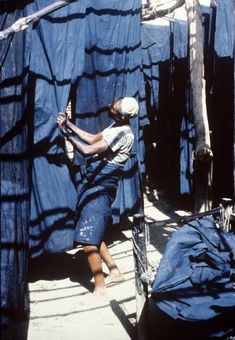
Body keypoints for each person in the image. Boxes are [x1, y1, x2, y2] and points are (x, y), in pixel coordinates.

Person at [56, 97, 139, 302]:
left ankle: (100, 286)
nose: (110, 105)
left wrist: (65, 133)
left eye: (115, 107)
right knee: (94, 231)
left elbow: (87, 149)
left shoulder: (123, 133)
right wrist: (69, 124)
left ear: (121, 115)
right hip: (95, 183)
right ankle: (115, 271)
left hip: (102, 187)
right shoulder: (117, 125)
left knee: (87, 240)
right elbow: (93, 138)